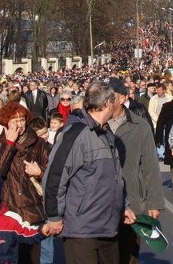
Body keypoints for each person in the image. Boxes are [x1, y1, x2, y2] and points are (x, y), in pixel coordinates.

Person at [43, 81, 136, 263]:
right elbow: (55, 176)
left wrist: (123, 205)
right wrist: (54, 216)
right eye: (115, 101)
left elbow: (114, 177)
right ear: (107, 103)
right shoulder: (76, 133)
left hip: (108, 225)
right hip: (82, 228)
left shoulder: (106, 133)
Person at [105, 77, 164, 264]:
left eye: (109, 96)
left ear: (122, 98)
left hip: (133, 201)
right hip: (100, 203)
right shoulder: (96, 125)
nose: (103, 100)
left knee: (129, 255)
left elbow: (150, 166)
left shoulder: (140, 126)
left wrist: (155, 202)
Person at [0, 102, 52, 264]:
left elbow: (54, 175)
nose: (19, 124)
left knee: (34, 259)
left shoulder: (39, 144)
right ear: (5, 122)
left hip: (34, 211)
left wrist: (40, 172)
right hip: (9, 210)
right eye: (14, 120)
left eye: (22, 119)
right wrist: (9, 144)